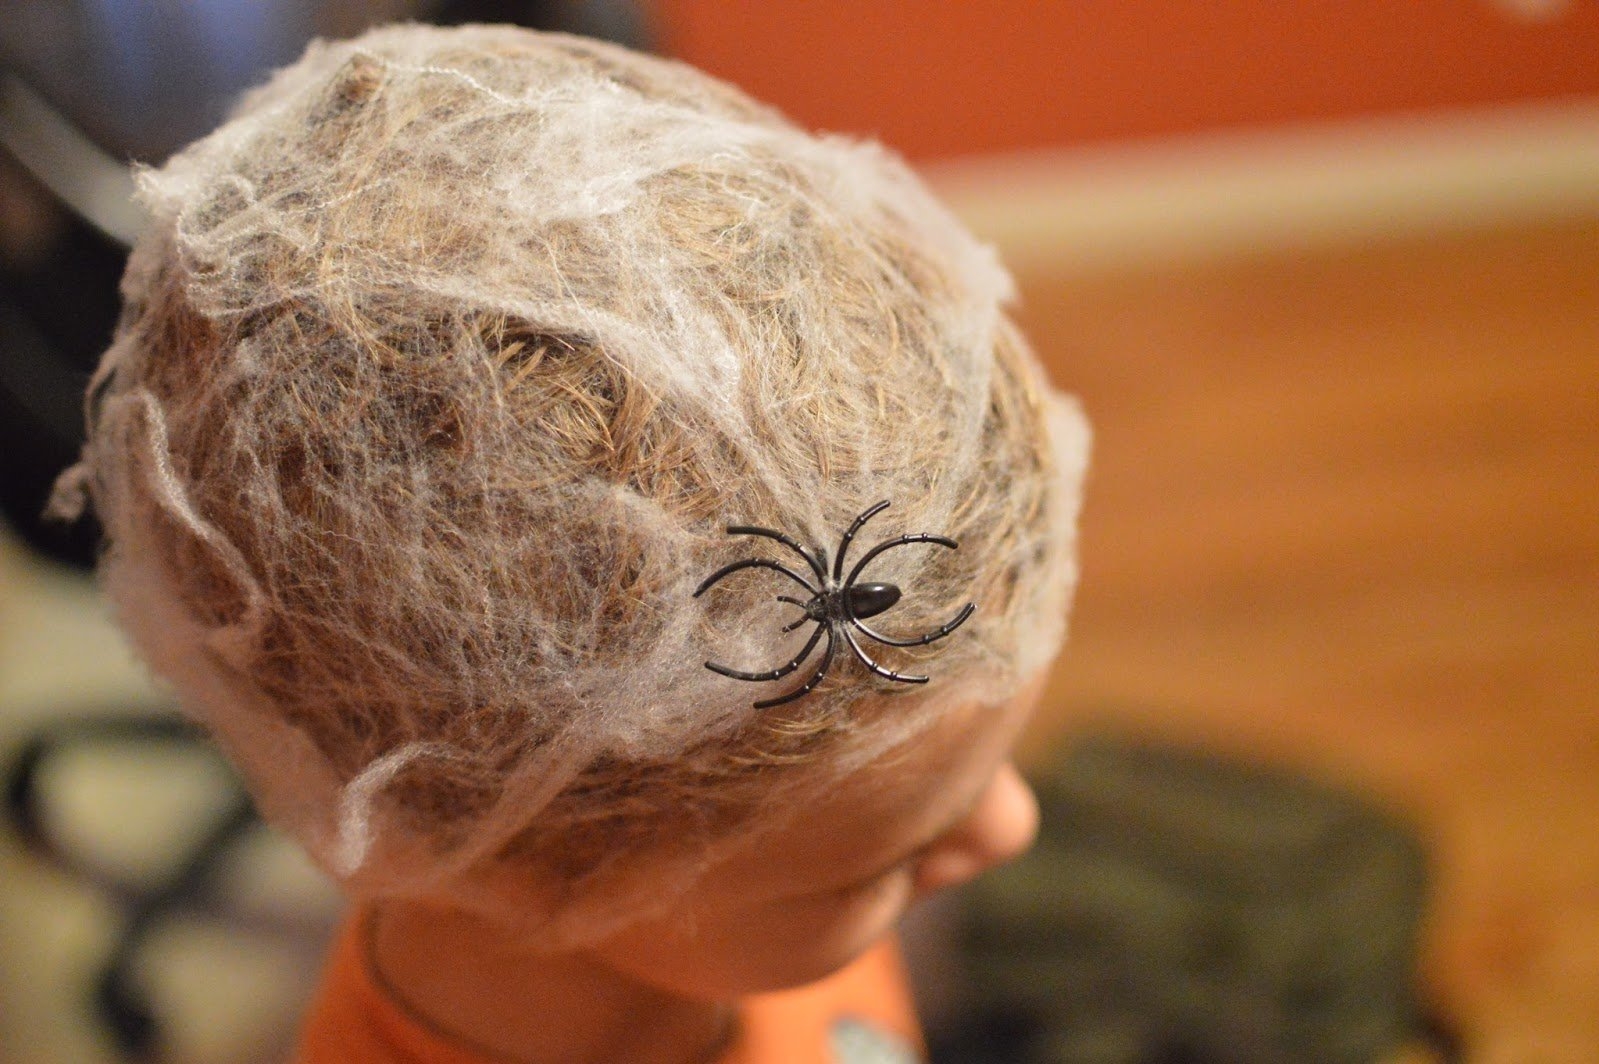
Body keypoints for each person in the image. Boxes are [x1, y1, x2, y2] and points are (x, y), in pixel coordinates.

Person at [54, 22, 1089, 1064]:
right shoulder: (723, 884)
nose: (1010, 824)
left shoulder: (752, 909)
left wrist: (865, 869)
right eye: (873, 871)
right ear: (511, 870)